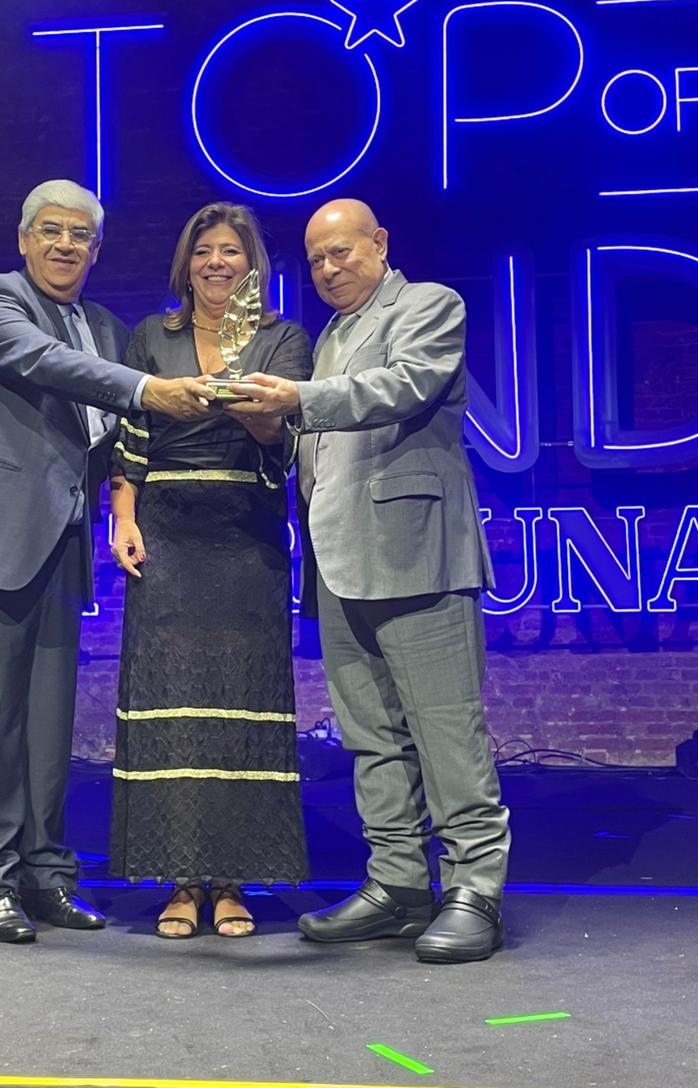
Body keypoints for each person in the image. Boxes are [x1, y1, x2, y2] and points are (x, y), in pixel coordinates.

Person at [0, 180, 214, 944]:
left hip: (61, 541)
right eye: (50, 230)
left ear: (96, 249)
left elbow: (114, 437)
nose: (64, 245)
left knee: (49, 729)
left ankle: (46, 876)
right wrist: (150, 388)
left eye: (80, 235)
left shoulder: (106, 327)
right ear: (24, 239)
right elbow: (48, 364)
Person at [226, 198, 510, 964]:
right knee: (371, 740)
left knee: (446, 732)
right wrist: (271, 426)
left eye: (341, 252)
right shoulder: (330, 337)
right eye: (316, 259)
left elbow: (405, 386)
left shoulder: (427, 307)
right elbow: (315, 447)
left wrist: (298, 399)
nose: (327, 269)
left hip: (417, 556)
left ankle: (474, 891)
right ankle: (398, 885)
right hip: (339, 562)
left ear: (379, 243)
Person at [108, 201, 313, 938]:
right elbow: (129, 435)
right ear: (186, 264)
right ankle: (180, 880)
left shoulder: (282, 339)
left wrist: (236, 395)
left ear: (251, 263)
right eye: (204, 251)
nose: (217, 262)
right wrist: (123, 517)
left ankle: (230, 882)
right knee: (174, 709)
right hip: (166, 537)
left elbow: (284, 435)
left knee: (238, 710)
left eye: (231, 250)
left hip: (246, 537)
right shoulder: (150, 338)